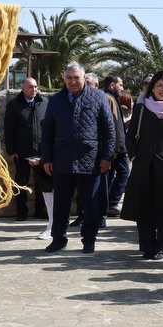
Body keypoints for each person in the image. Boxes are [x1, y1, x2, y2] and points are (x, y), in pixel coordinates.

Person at [40, 61, 116, 253]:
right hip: (62, 159)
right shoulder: (56, 100)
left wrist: (107, 157)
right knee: (61, 204)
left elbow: (109, 130)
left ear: (84, 78)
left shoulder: (98, 97)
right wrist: (47, 158)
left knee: (90, 204)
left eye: (76, 78)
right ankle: (58, 239)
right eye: (69, 78)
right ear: (64, 80)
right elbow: (47, 131)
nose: (73, 81)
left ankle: (89, 239)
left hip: (90, 159)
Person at [121, 70, 163, 259]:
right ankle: (147, 245)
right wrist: (134, 157)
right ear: (152, 88)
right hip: (143, 166)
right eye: (159, 85)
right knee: (144, 208)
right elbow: (130, 136)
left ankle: (162, 247)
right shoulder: (142, 109)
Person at [2, 76, 48, 221]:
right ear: (23, 89)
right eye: (30, 87)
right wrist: (11, 151)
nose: (33, 89)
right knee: (20, 183)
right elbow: (9, 130)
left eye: (35, 87)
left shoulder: (44, 103)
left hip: (41, 152)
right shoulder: (14, 105)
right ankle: (21, 211)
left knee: (42, 183)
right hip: (22, 153)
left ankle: (40, 211)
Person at [102, 74, 132, 219]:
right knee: (123, 173)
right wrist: (115, 147)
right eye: (120, 85)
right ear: (112, 85)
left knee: (112, 175)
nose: (123, 88)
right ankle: (111, 203)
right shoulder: (108, 98)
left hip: (116, 146)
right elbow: (111, 125)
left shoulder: (113, 98)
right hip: (115, 147)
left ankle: (107, 204)